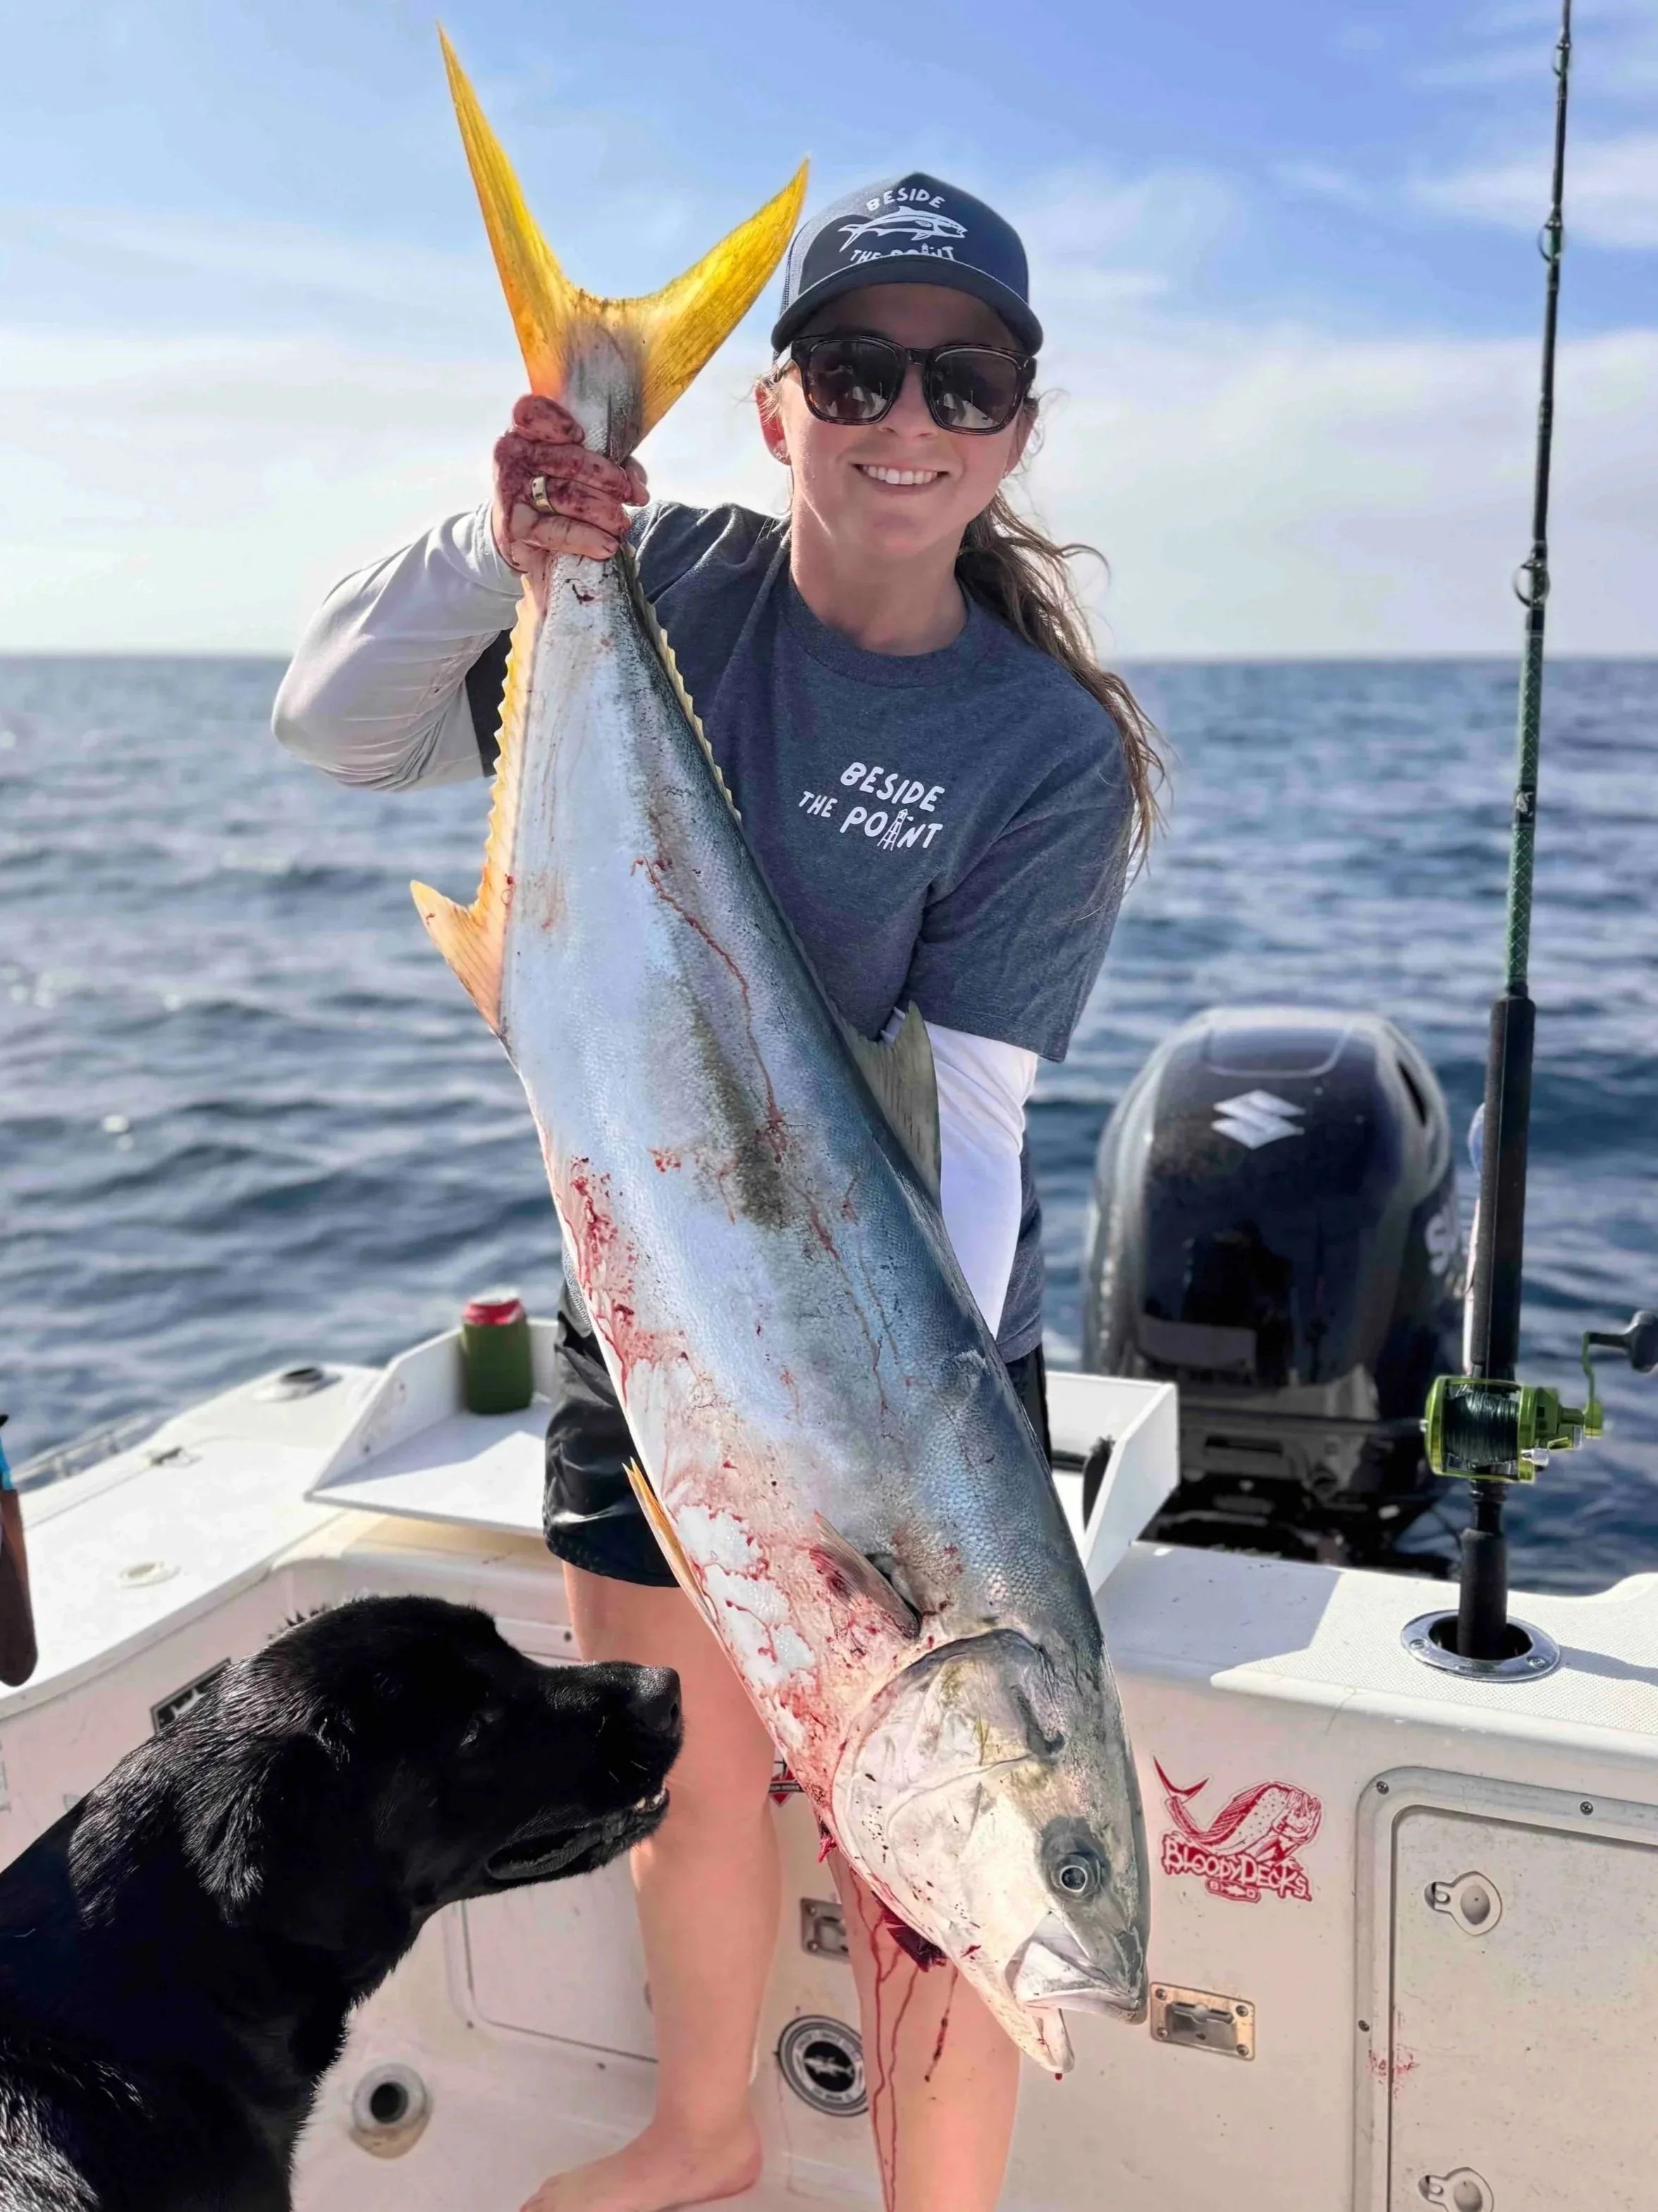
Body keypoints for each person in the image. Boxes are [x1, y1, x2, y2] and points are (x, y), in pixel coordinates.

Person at [274, 171, 1161, 2212]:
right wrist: (509, 533)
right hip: (650, 1323)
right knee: (692, 1779)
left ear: (1020, 428)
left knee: (924, 1878)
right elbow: (330, 727)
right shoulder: (649, 577)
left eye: (966, 379)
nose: (905, 416)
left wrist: (849, 1456)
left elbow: (980, 1140)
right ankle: (703, 2134)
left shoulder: (1042, 752)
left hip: (889, 1390)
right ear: (776, 408)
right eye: (855, 365)